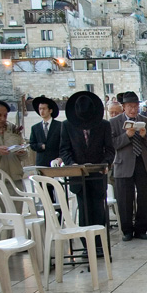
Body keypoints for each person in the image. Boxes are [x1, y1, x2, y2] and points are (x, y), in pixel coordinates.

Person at [59, 91, 115, 252]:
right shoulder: (67, 126)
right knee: (84, 211)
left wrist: (105, 163)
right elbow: (64, 150)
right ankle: (87, 246)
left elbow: (110, 149)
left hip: (97, 175)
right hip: (78, 177)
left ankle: (100, 245)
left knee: (98, 210)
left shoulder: (103, 125)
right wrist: (73, 164)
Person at [110, 91, 147, 242]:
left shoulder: (144, 120)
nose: (133, 110)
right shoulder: (115, 122)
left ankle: (142, 229)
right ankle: (127, 230)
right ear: (124, 107)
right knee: (125, 198)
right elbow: (113, 144)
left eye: (136, 106)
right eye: (130, 106)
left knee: (143, 197)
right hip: (123, 165)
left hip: (141, 162)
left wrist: (144, 136)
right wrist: (127, 136)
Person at [0, 100, 27, 197]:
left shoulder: (14, 130)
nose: (2, 119)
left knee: (17, 211)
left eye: (5, 115)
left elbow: (24, 150)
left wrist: (22, 152)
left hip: (15, 179)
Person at [29, 95, 62, 168]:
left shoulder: (60, 126)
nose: (41, 111)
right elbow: (32, 144)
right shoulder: (35, 128)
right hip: (41, 161)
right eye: (40, 109)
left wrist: (61, 157)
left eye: (44, 109)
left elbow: (64, 143)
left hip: (56, 161)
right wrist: (41, 146)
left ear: (50, 110)